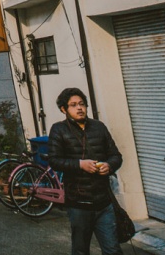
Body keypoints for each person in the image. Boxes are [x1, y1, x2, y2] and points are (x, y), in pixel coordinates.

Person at [47, 88, 124, 255]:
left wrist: (109, 166)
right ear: (63, 109)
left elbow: (116, 155)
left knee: (113, 249)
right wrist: (79, 164)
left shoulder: (99, 127)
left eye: (82, 104)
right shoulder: (58, 130)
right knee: (81, 250)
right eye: (73, 105)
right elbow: (54, 160)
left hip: (104, 201)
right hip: (78, 203)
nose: (79, 108)